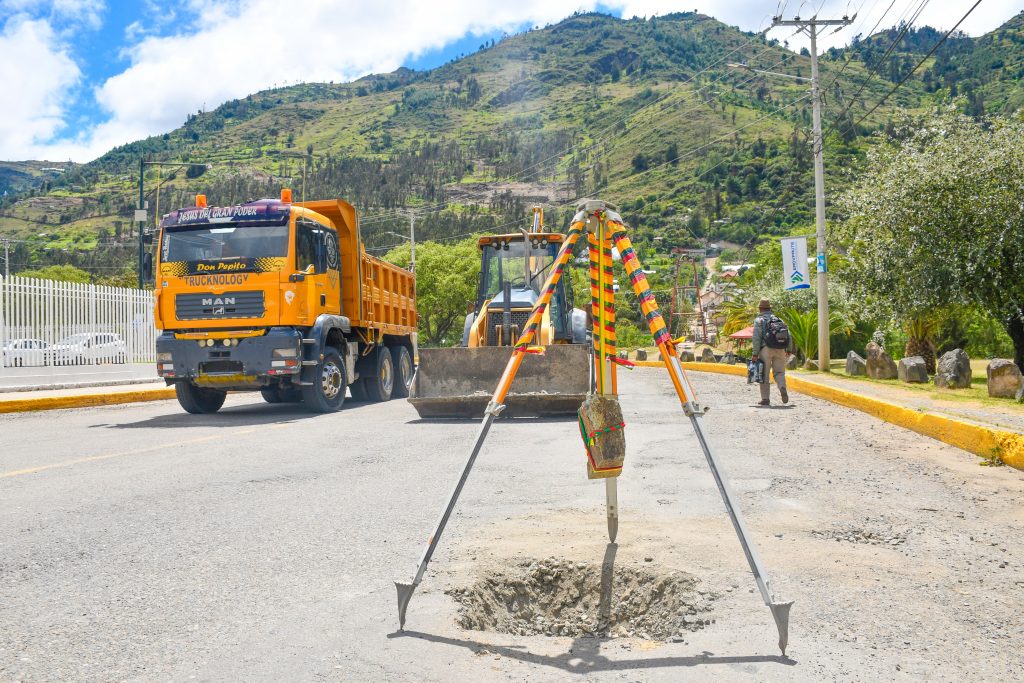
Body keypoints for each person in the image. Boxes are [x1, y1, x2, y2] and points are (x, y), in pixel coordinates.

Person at [751, 299, 792, 406]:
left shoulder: (759, 320)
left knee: (764, 374)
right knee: (779, 372)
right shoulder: (779, 319)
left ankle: (765, 399)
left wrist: (755, 353)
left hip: (766, 349)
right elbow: (789, 334)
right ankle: (782, 387)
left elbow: (756, 338)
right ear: (770, 308)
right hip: (780, 348)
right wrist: (789, 349)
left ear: (760, 308)